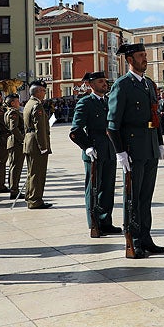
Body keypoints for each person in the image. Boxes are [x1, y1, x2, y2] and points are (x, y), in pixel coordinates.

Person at [108, 42, 164, 258]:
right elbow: (112, 124)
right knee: (133, 197)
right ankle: (133, 240)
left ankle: (146, 237)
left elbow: (154, 116)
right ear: (129, 60)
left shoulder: (149, 84)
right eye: (141, 56)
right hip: (132, 149)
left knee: (146, 196)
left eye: (145, 55)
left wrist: (159, 142)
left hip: (149, 147)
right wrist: (120, 152)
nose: (145, 59)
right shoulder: (122, 85)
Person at [70, 71, 122, 237]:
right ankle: (94, 223)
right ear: (91, 85)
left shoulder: (108, 101)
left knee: (108, 188)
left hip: (109, 150)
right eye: (100, 82)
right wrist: (87, 147)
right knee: (93, 189)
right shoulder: (85, 103)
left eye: (105, 81)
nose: (104, 84)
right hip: (94, 150)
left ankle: (106, 221)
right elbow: (75, 130)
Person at [22, 81, 52, 209]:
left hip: (29, 141)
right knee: (38, 173)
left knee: (32, 172)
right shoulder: (37, 105)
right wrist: (43, 147)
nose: (44, 93)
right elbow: (39, 128)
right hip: (36, 143)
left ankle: (30, 196)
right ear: (38, 91)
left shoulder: (29, 103)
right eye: (43, 91)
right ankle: (35, 200)